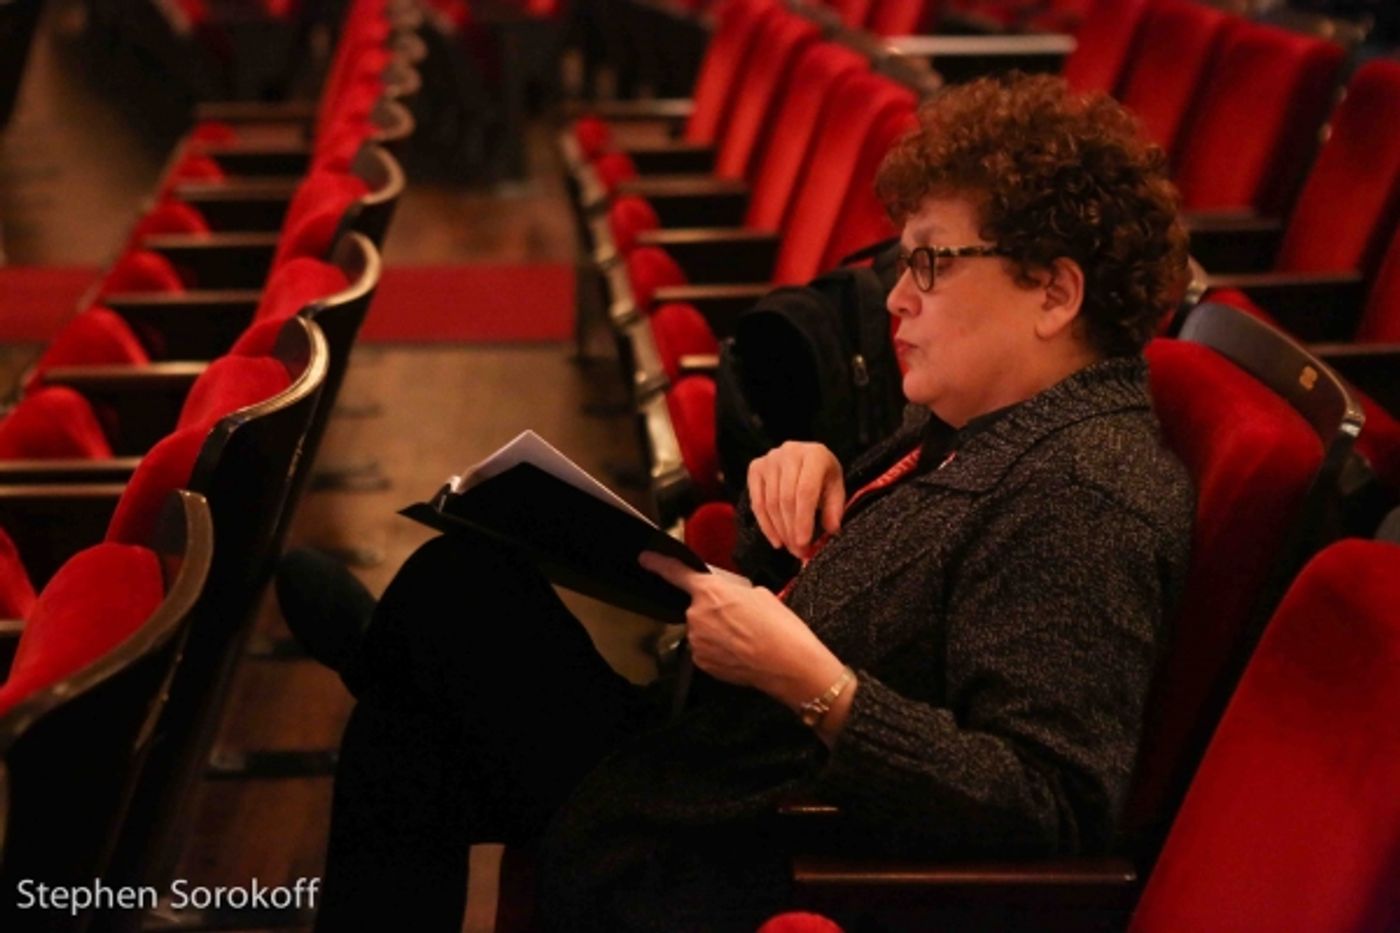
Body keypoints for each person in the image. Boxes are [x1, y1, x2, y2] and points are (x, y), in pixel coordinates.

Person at [275, 72, 1194, 931]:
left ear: (1055, 291)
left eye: (932, 265)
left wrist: (816, 687)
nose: (898, 303)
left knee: (428, 678)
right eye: (902, 267)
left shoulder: (1086, 491)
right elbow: (863, 581)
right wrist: (811, 480)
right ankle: (400, 662)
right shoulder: (984, 419)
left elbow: (1048, 804)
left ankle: (391, 658)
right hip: (707, 756)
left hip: (756, 839)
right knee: (457, 604)